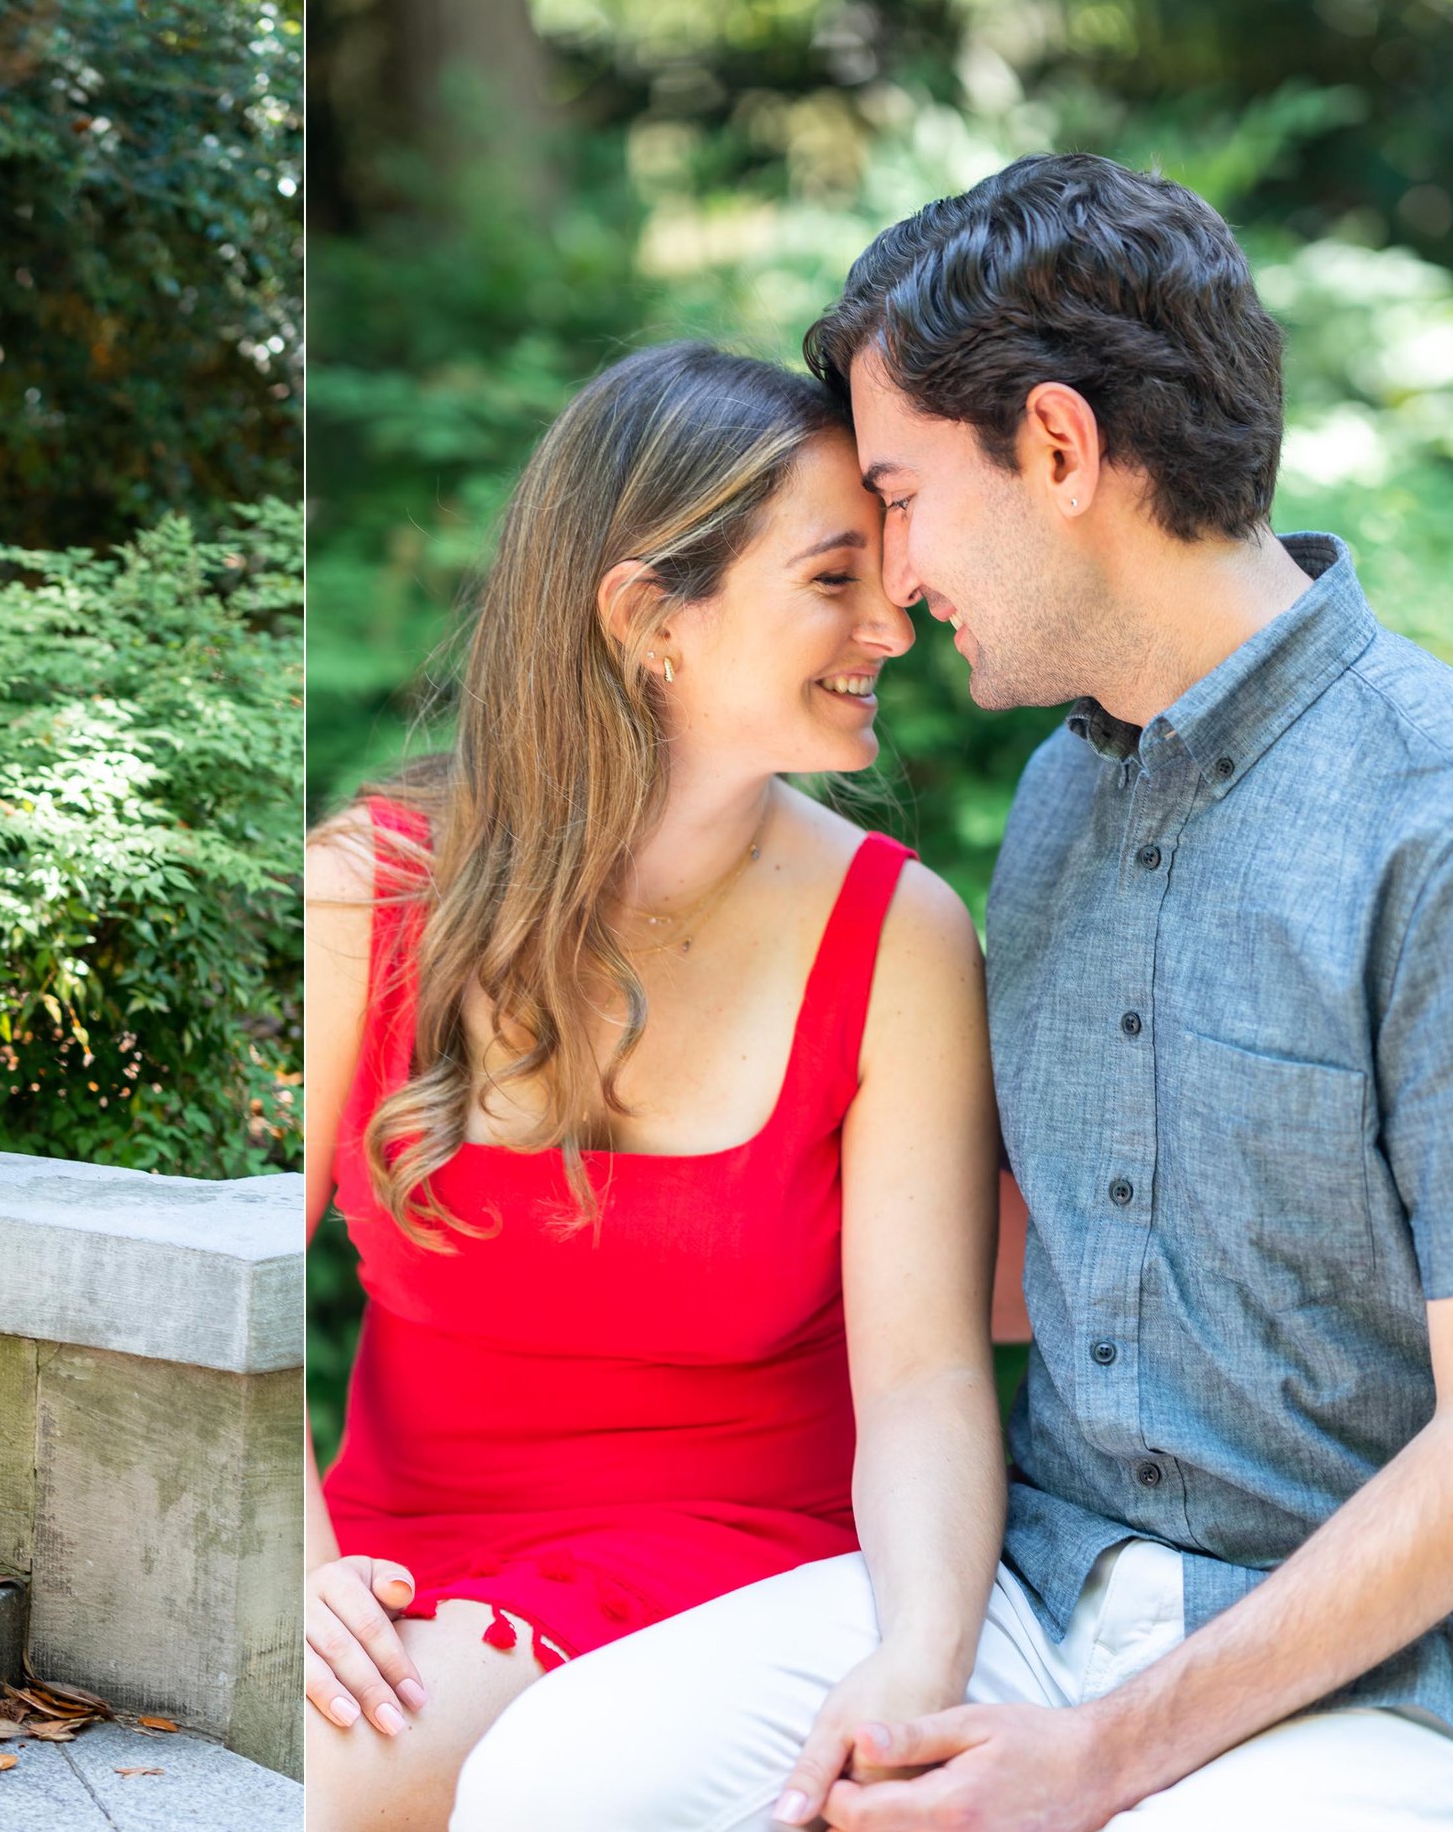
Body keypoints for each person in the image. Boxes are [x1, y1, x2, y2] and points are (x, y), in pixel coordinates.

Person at [454, 153, 1453, 1831]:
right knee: (553, 1779)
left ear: (1056, 449)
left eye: (898, 492)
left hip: (1408, 1669)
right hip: (1045, 1591)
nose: (889, 579)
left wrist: (1106, 1758)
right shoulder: (1058, 801)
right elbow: (1033, 1284)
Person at [304, 342, 1006, 1830]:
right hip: (392, 1554)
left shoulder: (898, 937)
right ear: (647, 620)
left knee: (329, 1785)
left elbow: (929, 1378)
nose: (894, 622)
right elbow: (232, 1272)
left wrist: (920, 1657)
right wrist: (296, 1565)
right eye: (833, 580)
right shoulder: (363, 898)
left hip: (737, 1560)